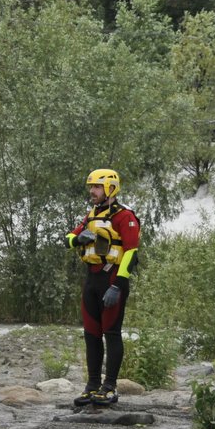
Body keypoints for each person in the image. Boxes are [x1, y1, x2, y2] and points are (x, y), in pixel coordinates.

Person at [65, 168, 140, 406]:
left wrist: (118, 285)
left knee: (112, 333)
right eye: (91, 187)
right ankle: (92, 386)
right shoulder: (92, 215)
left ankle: (109, 387)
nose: (92, 191)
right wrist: (79, 239)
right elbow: (68, 239)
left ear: (110, 188)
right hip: (92, 281)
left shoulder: (124, 216)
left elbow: (131, 253)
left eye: (96, 187)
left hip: (111, 281)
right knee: (91, 335)